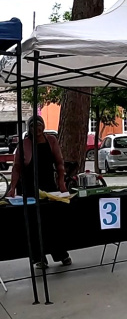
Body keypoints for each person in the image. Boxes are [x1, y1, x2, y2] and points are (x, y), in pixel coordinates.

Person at [5, 115, 70, 268]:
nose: (37, 128)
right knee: (34, 224)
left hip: (48, 185)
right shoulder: (24, 144)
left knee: (52, 222)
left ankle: (61, 254)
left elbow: (59, 163)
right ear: (29, 128)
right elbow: (16, 168)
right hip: (29, 187)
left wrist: (61, 182)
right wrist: (12, 188)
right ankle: (39, 258)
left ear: (43, 126)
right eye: (33, 126)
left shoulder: (51, 140)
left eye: (39, 125)